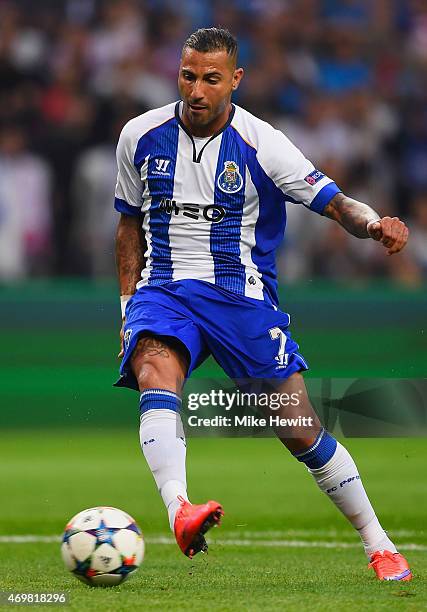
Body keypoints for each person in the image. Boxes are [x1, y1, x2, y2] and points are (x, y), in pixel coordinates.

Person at [113, 28, 411, 580]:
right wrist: (128, 305)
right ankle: (180, 509)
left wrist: (373, 224)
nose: (197, 90)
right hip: (165, 290)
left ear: (235, 80)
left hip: (240, 299)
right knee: (155, 370)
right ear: (177, 72)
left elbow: (334, 202)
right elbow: (129, 223)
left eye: (211, 78)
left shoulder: (263, 143)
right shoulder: (139, 136)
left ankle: (378, 542)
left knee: (298, 427)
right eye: (187, 75)